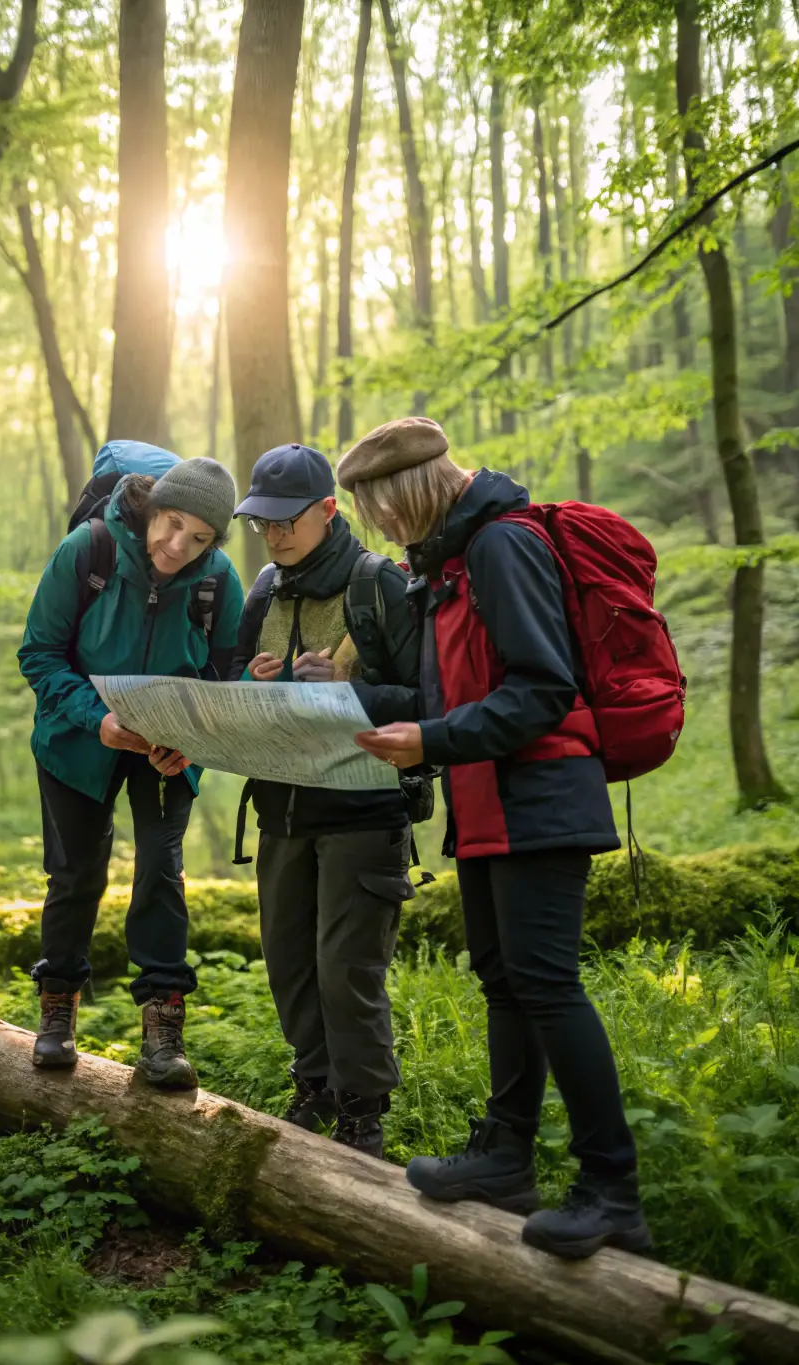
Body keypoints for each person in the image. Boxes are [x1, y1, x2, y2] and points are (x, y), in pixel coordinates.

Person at [338, 417, 650, 1258]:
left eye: (380, 511)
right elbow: (445, 701)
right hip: (488, 803)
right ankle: (507, 1156)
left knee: (547, 986)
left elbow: (541, 689)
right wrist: (351, 703)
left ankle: (611, 1190)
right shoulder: (445, 566)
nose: (382, 530)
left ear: (405, 492)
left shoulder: (502, 549)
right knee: (504, 982)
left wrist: (432, 741)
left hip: (542, 796)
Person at [18, 448, 243, 1088]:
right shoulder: (87, 552)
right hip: (77, 739)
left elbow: (226, 674)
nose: (179, 545)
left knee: (162, 872)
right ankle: (57, 1015)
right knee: (75, 873)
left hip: (166, 747)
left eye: (200, 537)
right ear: (152, 507)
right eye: (172, 524)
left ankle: (163, 1033)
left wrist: (191, 738)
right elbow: (39, 655)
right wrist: (99, 720)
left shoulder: (216, 579)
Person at [227, 442, 420, 1159]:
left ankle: (364, 1112)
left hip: (364, 811)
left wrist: (348, 694)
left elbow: (431, 698)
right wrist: (254, 682)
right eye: (262, 522)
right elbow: (231, 688)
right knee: (290, 962)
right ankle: (314, 1087)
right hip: (281, 808)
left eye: (286, 521)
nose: (273, 535)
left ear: (328, 511)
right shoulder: (263, 592)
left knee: (347, 970)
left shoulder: (380, 586)